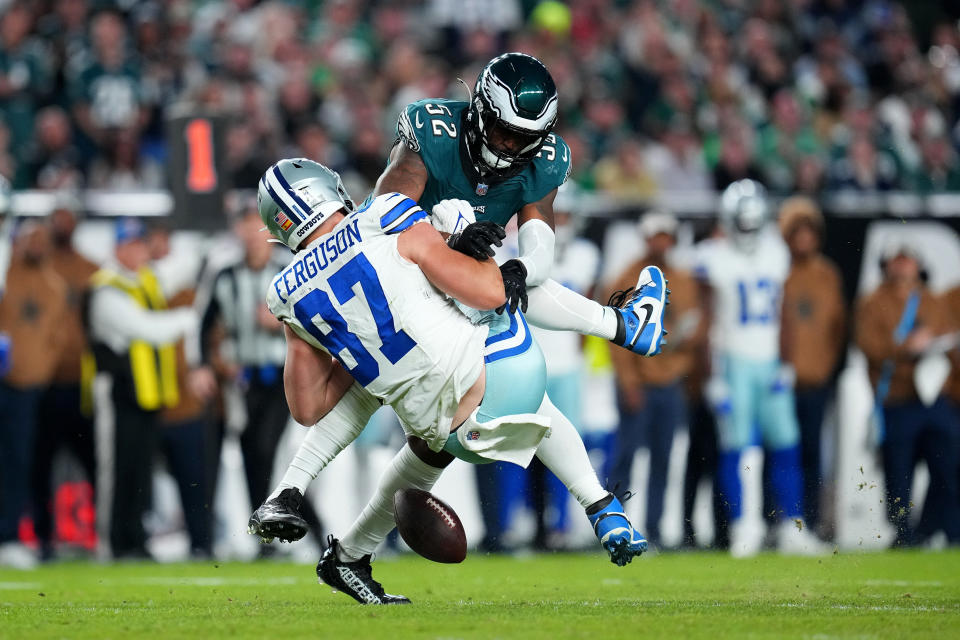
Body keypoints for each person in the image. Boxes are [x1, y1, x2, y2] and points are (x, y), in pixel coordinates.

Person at [252, 52, 660, 547]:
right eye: (504, 131)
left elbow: (536, 248)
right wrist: (453, 242)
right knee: (512, 372)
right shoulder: (433, 131)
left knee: (383, 394)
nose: (510, 147)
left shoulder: (286, 288)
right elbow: (393, 207)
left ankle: (306, 508)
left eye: (523, 139)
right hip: (417, 275)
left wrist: (514, 267)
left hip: (410, 304)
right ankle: (621, 330)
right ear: (480, 110)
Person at [252, 158, 665, 604]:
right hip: (505, 379)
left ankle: (321, 525)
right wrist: (461, 234)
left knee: (369, 380)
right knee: (511, 277)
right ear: (324, 193)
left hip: (450, 438)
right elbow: (490, 292)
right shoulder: (380, 215)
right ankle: (622, 326)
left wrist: (326, 340)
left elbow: (307, 407)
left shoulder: (284, 293)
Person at [696, 180, 826, 557]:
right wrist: (712, 377)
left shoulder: (776, 254)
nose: (749, 231)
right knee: (738, 448)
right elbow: (707, 323)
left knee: (787, 445)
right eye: (743, 223)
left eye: (754, 223)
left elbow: (784, 313)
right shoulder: (712, 257)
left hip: (769, 361)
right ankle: (744, 526)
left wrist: (786, 363)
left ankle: (791, 527)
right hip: (733, 362)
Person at [193, 197, 326, 552]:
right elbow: (202, 323)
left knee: (265, 449)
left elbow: (320, 314)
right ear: (235, 230)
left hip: (288, 375)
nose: (251, 234)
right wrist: (203, 366)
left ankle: (299, 529)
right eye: (244, 225)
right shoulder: (223, 273)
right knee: (253, 452)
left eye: (257, 225)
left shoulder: (289, 265)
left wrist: (282, 319)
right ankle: (273, 535)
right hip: (245, 379)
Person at [86, 217, 196, 559]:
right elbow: (146, 329)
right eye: (130, 245)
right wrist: (187, 319)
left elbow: (187, 262)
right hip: (117, 392)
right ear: (117, 248)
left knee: (139, 469)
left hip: (146, 393)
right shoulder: (106, 288)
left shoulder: (144, 279)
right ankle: (111, 542)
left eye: (140, 244)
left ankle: (135, 538)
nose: (137, 251)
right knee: (115, 468)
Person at [607, 210, 705, 549]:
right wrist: (629, 382)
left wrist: (680, 349)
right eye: (656, 235)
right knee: (626, 457)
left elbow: (693, 329)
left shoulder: (685, 279)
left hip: (669, 381)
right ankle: (613, 527)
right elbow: (616, 336)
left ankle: (655, 528)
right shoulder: (627, 276)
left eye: (666, 235)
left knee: (664, 459)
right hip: (639, 381)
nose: (661, 242)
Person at [855, 244, 960, 546]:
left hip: (933, 397)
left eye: (908, 260)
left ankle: (940, 528)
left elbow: (949, 338)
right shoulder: (872, 302)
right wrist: (907, 348)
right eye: (897, 261)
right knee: (898, 471)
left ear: (918, 264)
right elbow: (869, 346)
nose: (903, 267)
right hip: (896, 398)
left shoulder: (932, 299)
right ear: (887, 265)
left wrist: (934, 343)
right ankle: (903, 532)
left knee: (947, 462)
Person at [31, 200, 99, 561]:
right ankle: (42, 537)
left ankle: (102, 534)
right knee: (40, 463)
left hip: (82, 382)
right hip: (44, 381)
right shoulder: (34, 269)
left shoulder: (91, 270)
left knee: (94, 462)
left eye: (68, 219)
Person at [0, 219, 67, 569]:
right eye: (30, 238)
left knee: (16, 464)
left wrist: (35, 374)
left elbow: (56, 343)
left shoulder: (54, 288)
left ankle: (8, 536)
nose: (36, 244)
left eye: (42, 238)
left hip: (25, 390)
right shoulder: (5, 274)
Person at [778, 197, 846, 532]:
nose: (804, 239)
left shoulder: (828, 275)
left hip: (816, 381)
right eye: (797, 233)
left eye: (809, 233)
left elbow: (837, 329)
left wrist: (825, 368)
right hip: (779, 381)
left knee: (814, 454)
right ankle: (778, 520)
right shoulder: (778, 271)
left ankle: (813, 523)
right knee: (779, 453)